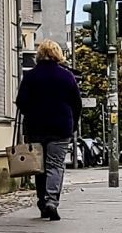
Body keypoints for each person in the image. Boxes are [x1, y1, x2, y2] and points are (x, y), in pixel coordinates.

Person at [15, 39, 82, 221]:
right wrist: (73, 124)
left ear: (39, 55)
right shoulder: (66, 76)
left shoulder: (30, 76)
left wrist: (33, 112)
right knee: (55, 166)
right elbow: (77, 104)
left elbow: (21, 102)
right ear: (58, 55)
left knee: (39, 167)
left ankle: (42, 203)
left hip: (35, 127)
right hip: (60, 128)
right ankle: (52, 201)